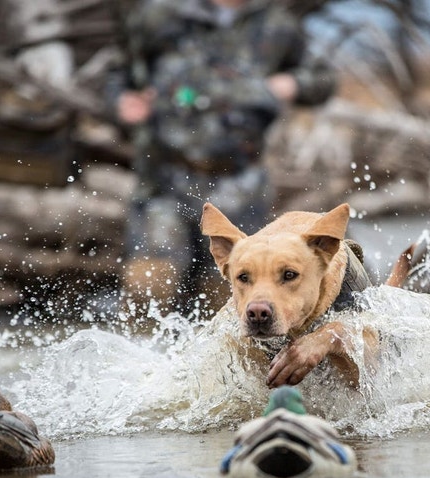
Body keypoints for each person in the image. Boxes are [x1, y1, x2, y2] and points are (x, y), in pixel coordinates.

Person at [107, 0, 336, 317]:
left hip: (240, 186)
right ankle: (142, 365)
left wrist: (292, 84)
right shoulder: (159, 15)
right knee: (149, 287)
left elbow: (323, 79)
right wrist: (121, 101)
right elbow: (120, 72)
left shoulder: (276, 25)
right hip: (164, 180)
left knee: (229, 301)